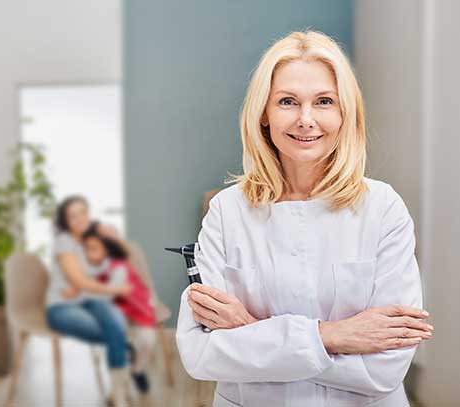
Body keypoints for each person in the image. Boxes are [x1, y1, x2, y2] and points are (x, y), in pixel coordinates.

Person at [175, 30, 434, 407]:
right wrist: (332, 336)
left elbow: (385, 368)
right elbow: (202, 353)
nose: (306, 119)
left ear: (345, 113)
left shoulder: (382, 207)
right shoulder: (227, 211)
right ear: (263, 113)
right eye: (287, 102)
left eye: (324, 101)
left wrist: (251, 333)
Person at [45, 195, 134, 407]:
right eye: (72, 215)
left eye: (82, 212)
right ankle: (122, 384)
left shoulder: (90, 240)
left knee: (115, 325)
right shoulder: (64, 242)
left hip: (88, 300)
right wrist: (114, 288)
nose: (79, 219)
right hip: (60, 307)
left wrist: (113, 236)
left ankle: (117, 391)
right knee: (115, 332)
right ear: (65, 221)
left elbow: (121, 257)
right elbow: (79, 280)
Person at [75, 222, 157, 395]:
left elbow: (132, 287)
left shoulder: (120, 264)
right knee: (116, 338)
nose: (111, 238)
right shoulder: (86, 262)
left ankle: (138, 370)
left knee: (147, 340)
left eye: (113, 234)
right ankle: (118, 388)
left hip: (132, 305)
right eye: (105, 235)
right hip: (107, 307)